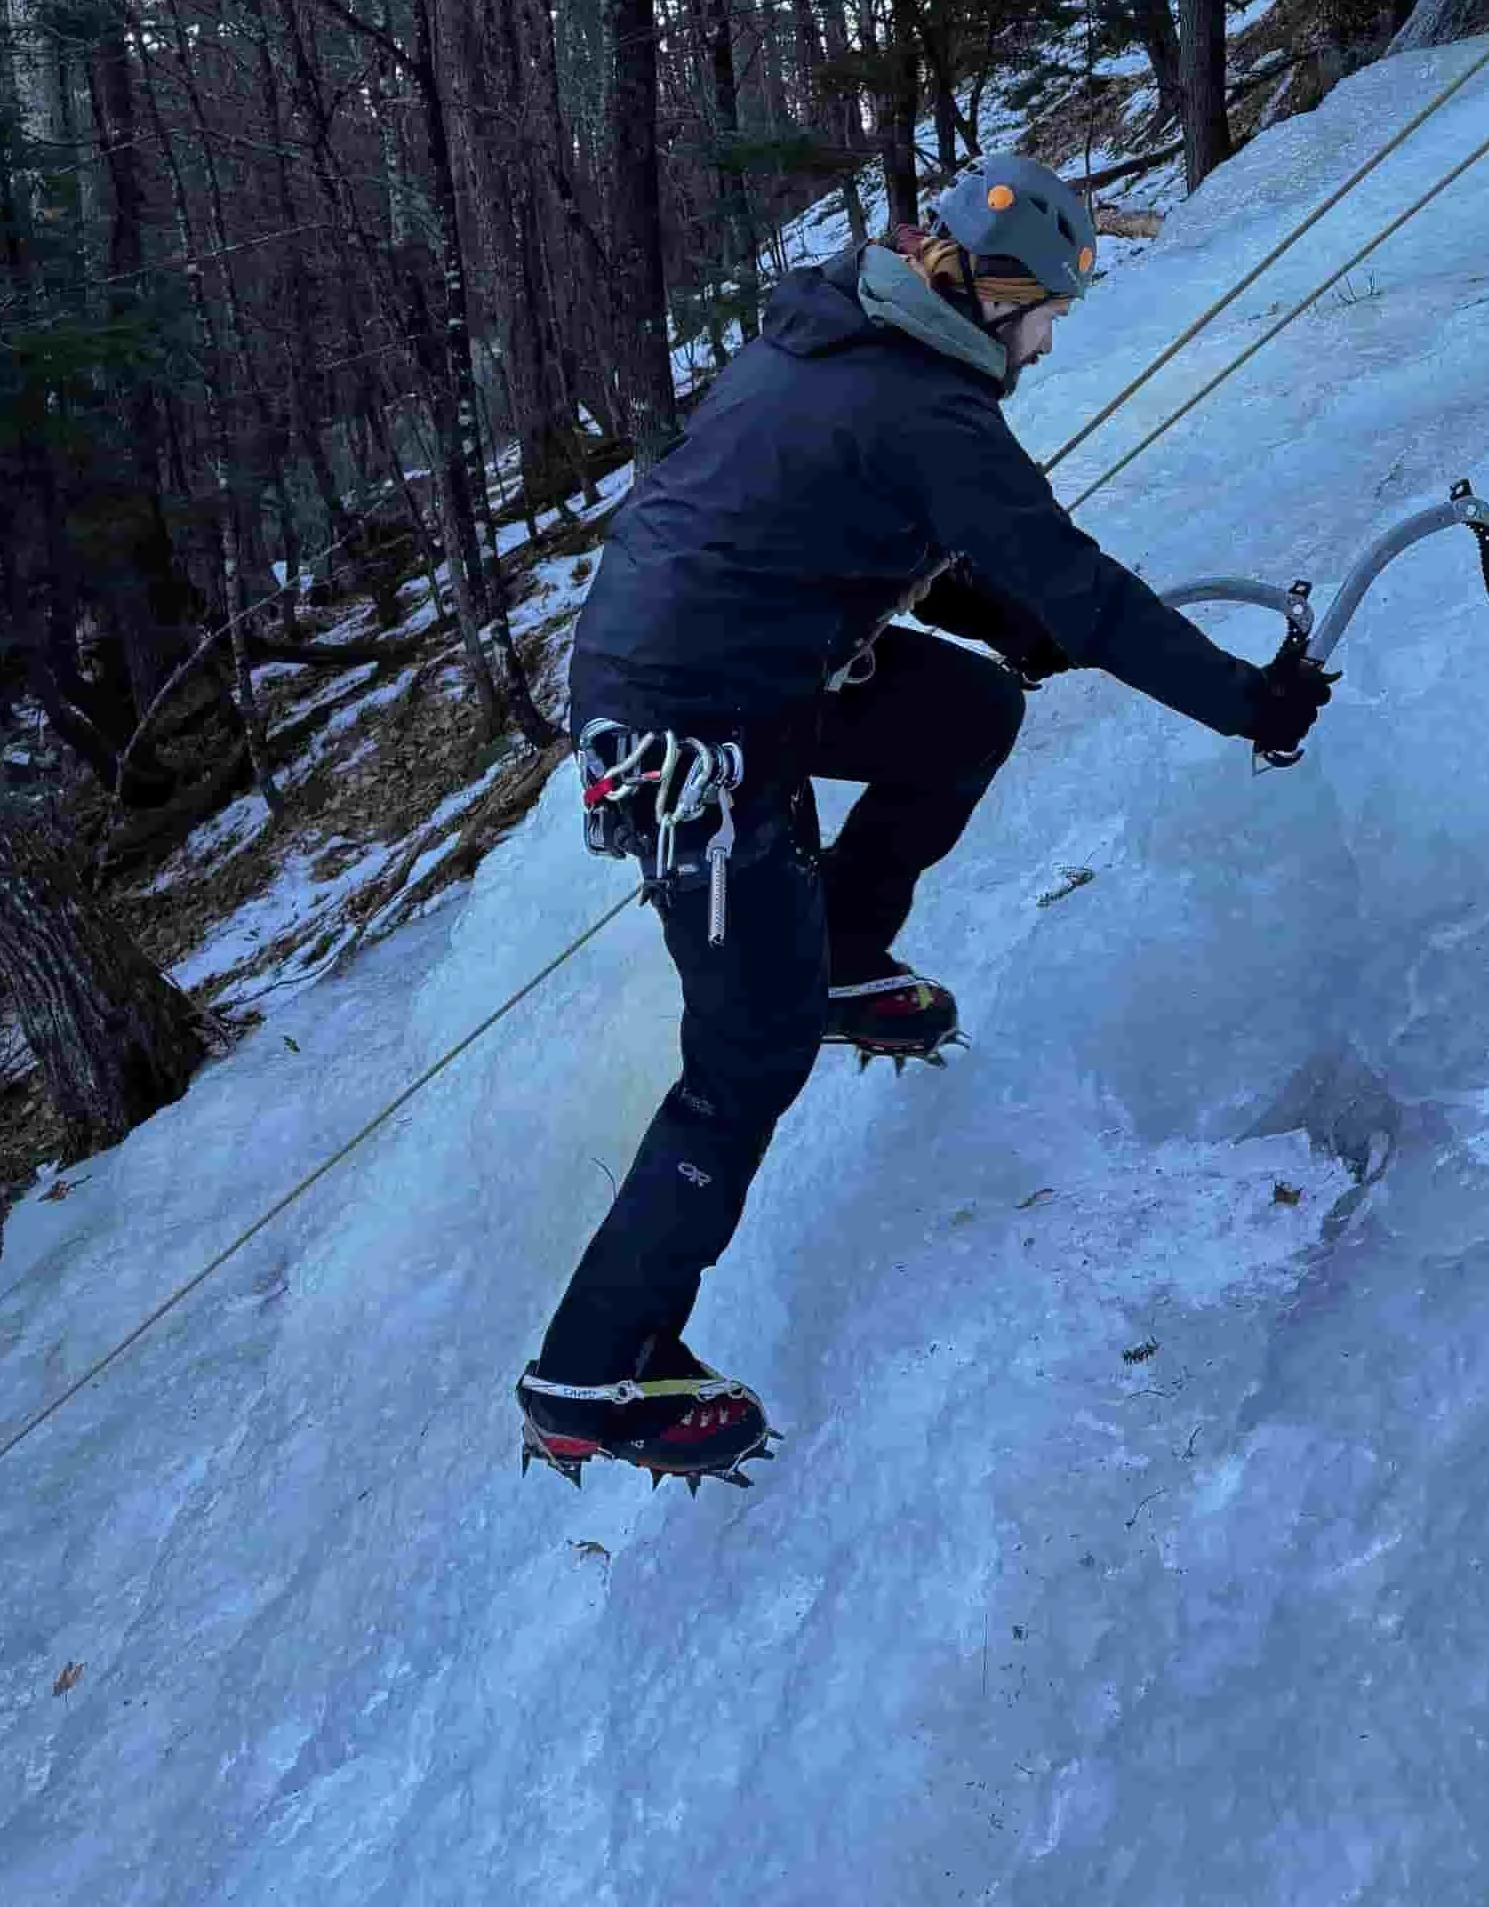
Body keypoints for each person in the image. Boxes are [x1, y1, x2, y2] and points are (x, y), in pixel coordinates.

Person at [515, 155, 1334, 1488]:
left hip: (728, 674)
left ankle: (843, 945)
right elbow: (1090, 594)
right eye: (1050, 307)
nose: (1055, 334)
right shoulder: (926, 410)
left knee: (961, 708)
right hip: (695, 737)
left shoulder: (845, 324)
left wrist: (1008, 624)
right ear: (993, 289)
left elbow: (878, 535)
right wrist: (1249, 704)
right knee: (746, 1054)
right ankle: (594, 1367)